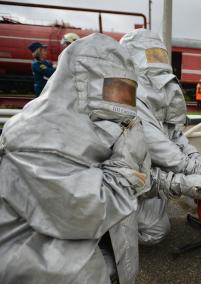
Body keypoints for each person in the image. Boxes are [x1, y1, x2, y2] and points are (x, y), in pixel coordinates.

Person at [0, 33, 151, 284]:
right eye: (113, 88)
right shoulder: (35, 136)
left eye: (126, 91)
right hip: (33, 263)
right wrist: (127, 158)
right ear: (83, 80)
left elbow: (141, 184)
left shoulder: (95, 125)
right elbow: (88, 210)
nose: (120, 98)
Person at [120, 29, 201, 245]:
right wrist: (195, 172)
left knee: (198, 189)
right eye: (151, 54)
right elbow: (157, 146)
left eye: (159, 54)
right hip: (124, 179)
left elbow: (176, 135)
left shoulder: (161, 89)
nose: (156, 59)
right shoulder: (127, 94)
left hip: (147, 174)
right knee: (153, 230)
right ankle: (107, 232)